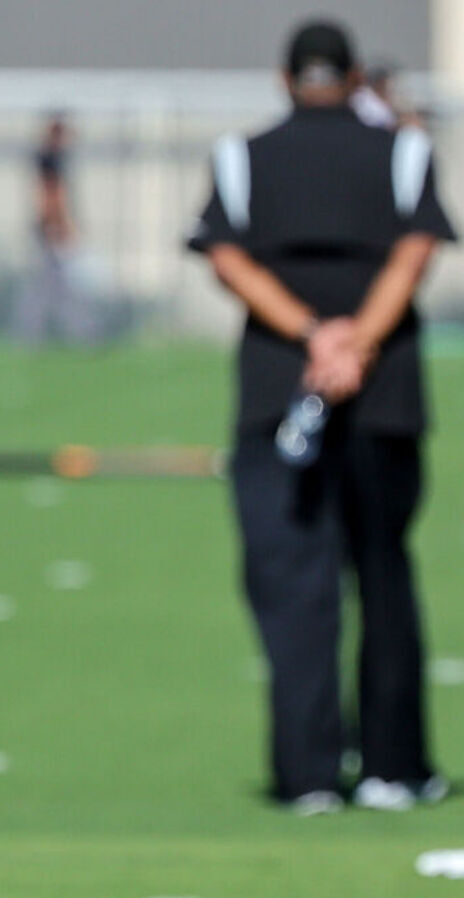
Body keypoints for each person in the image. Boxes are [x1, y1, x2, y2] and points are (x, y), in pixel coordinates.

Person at [187, 19, 455, 815]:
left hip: (280, 387)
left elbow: (227, 256)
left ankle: (308, 777)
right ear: (353, 78)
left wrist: (313, 335)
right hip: (385, 393)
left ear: (285, 78)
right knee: (383, 570)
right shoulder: (403, 151)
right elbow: (415, 251)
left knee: (294, 585)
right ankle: (394, 771)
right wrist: (360, 342)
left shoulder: (243, 156)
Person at [10, 112, 99, 344]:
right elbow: (51, 194)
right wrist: (60, 227)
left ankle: (37, 332)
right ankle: (78, 332)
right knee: (55, 287)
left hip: (48, 229)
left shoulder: (51, 157)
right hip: (50, 230)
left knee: (52, 287)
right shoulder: (50, 158)